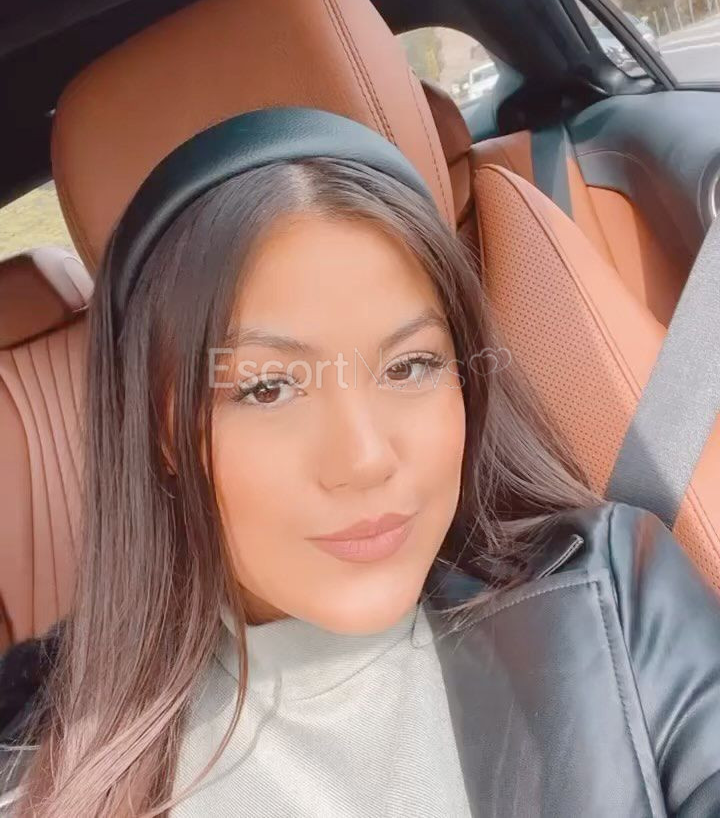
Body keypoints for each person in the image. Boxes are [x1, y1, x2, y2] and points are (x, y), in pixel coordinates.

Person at [1, 106, 719, 817]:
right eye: (267, 388)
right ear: (163, 433)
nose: (366, 459)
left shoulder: (611, 594)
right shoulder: (39, 752)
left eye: (409, 367)